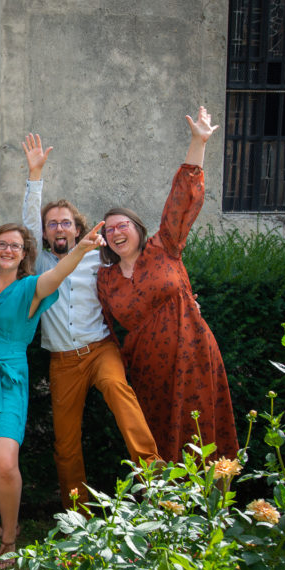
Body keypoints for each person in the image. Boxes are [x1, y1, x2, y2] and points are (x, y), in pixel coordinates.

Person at [20, 134, 160, 513]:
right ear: (45, 233)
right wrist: (35, 176)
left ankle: (159, 490)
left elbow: (139, 273)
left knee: (120, 396)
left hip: (100, 351)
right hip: (63, 362)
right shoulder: (39, 264)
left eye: (65, 223)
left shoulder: (99, 258)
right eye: (52, 224)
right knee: (65, 442)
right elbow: (27, 224)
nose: (59, 228)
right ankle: (77, 515)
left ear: (77, 229)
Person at [0, 221, 106, 569]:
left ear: (24, 254)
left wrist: (81, 248)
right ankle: (10, 520)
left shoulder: (31, 288)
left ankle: (9, 539)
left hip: (10, 379)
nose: (8, 250)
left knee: (4, 463)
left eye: (16, 246)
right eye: (2, 244)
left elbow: (59, 275)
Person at [96, 107, 238, 463]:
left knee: (200, 433)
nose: (116, 232)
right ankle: (162, 498)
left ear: (139, 229)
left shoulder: (164, 248)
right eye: (109, 230)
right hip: (147, 369)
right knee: (155, 440)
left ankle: (209, 497)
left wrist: (198, 143)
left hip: (193, 355)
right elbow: (108, 329)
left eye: (123, 225)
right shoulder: (105, 278)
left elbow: (182, 200)